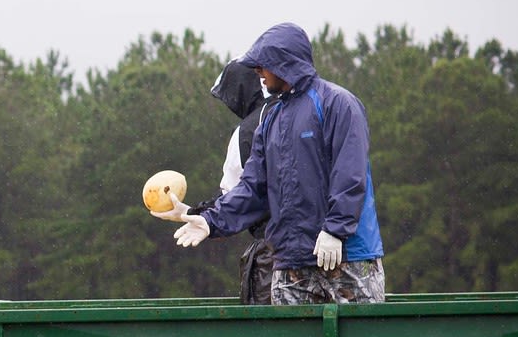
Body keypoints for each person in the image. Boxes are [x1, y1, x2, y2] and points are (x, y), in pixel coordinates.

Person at [158, 22, 386, 305]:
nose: (257, 73)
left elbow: (350, 175)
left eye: (262, 65)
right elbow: (253, 188)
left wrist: (335, 230)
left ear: (284, 63)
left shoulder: (338, 103)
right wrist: (209, 219)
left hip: (346, 256)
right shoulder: (271, 119)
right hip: (290, 265)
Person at [177, 60, 275, 305]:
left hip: (274, 254)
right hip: (327, 246)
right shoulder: (297, 111)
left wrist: (198, 213)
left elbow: (239, 195)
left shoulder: (246, 130)